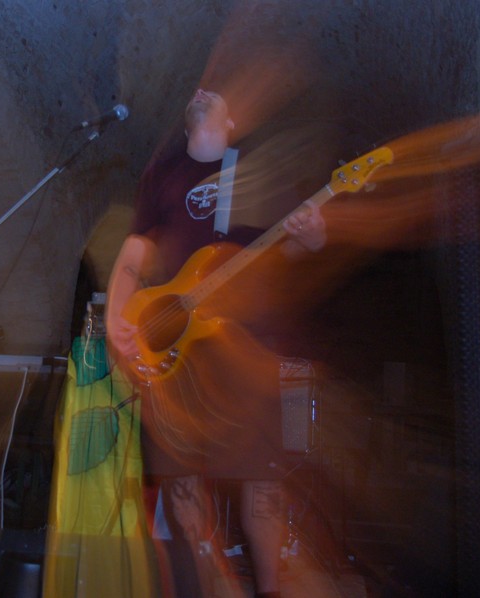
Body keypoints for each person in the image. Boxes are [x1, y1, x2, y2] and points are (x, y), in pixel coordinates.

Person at [105, 87, 326, 597]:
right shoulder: (162, 174)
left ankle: (268, 589)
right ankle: (209, 584)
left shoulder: (257, 171)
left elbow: (298, 250)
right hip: (178, 356)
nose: (204, 89)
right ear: (189, 125)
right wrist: (117, 315)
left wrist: (313, 233)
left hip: (246, 347)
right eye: (199, 90)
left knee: (261, 480)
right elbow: (134, 254)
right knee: (182, 481)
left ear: (231, 123)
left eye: (217, 93)